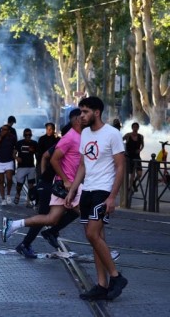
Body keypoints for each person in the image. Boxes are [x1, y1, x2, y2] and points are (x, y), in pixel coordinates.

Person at [66, 96, 127, 301]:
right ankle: (101, 285)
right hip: (88, 191)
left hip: (103, 191)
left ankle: (116, 277)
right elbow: (83, 165)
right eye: (80, 112)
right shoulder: (84, 133)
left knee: (93, 234)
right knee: (96, 238)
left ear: (96, 112)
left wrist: (112, 197)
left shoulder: (112, 134)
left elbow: (120, 166)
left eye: (85, 112)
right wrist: (73, 190)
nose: (80, 116)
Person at [3, 111, 81, 258]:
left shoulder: (75, 142)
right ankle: (26, 241)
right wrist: (43, 177)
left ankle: (46, 232)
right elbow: (46, 157)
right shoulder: (66, 142)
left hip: (54, 184)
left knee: (60, 215)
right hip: (50, 184)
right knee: (47, 216)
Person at [13, 128, 38, 207]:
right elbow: (14, 153)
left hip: (31, 166)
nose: (28, 136)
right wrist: (17, 158)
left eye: (29, 135)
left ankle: (29, 200)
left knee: (31, 185)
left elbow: (37, 155)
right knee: (19, 184)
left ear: (31, 135)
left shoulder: (34, 143)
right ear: (24, 135)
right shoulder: (19, 143)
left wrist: (37, 165)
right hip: (21, 166)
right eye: (26, 135)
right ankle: (18, 194)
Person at [0, 124, 17, 205]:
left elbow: (15, 147)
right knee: (1, 181)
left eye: (5, 129)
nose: (2, 131)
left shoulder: (12, 138)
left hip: (9, 161)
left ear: (8, 131)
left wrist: (15, 154)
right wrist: (1, 137)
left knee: (9, 179)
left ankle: (8, 194)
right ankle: (3, 198)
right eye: (2, 129)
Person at [123, 122, 144, 192]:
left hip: (137, 157)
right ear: (132, 128)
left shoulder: (141, 136)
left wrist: (140, 150)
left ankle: (134, 182)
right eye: (134, 127)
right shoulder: (128, 135)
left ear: (138, 128)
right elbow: (120, 141)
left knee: (139, 174)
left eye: (136, 127)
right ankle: (130, 187)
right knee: (132, 174)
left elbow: (143, 145)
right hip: (130, 157)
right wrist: (124, 151)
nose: (135, 128)